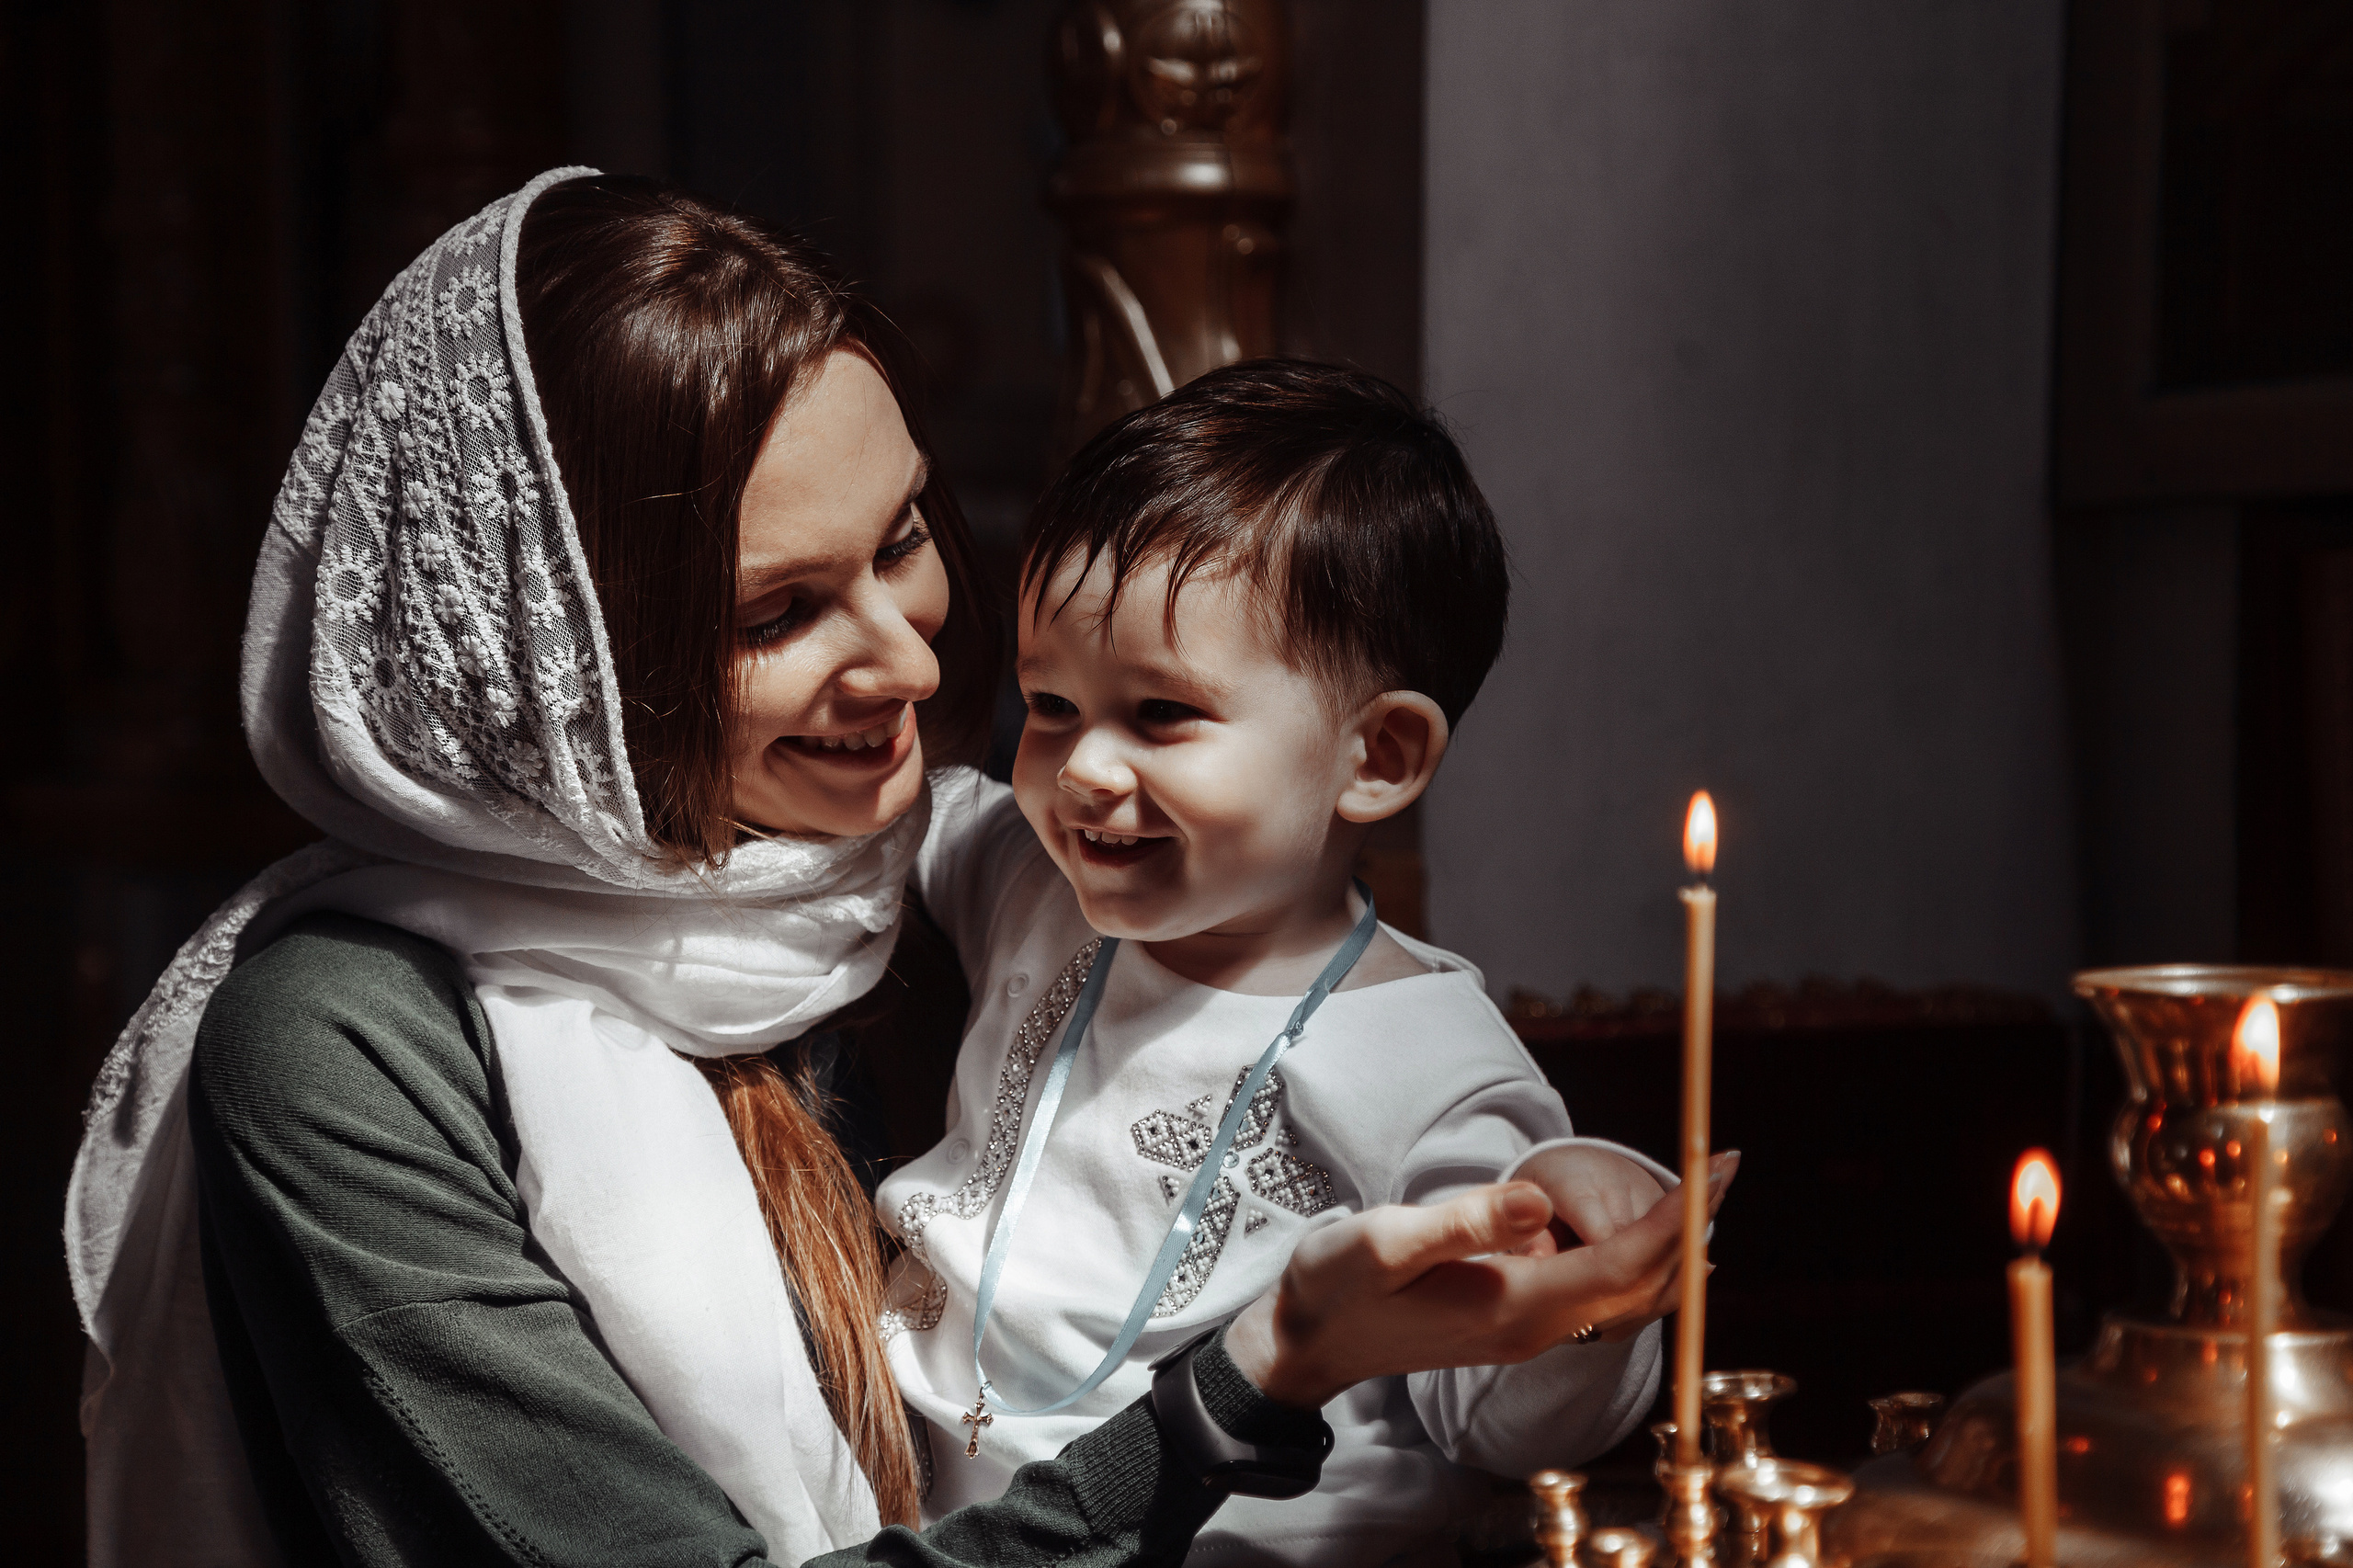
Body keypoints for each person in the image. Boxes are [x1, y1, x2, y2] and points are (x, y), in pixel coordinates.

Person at [64, 172, 1725, 1568]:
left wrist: (1576, 1280)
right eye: (780, 611)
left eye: (907, 536)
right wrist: (1247, 1378)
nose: (919, 665)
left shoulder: (905, 889)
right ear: (549, 665)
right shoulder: (353, 1042)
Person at [879, 362, 1729, 1566]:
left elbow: (1502, 1418)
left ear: (1376, 757)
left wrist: (1583, 1289)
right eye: (1052, 704)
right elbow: (866, 824)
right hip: (972, 1532)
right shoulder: (1027, 875)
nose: (1082, 771)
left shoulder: (1423, 1056)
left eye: (1161, 714)